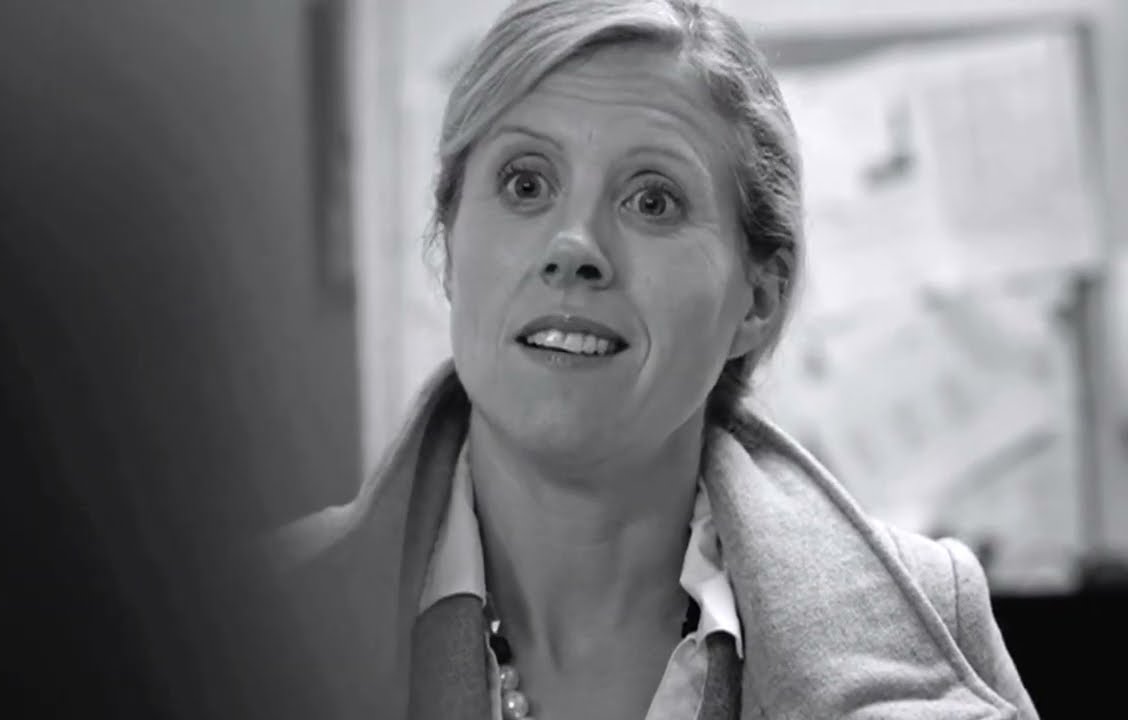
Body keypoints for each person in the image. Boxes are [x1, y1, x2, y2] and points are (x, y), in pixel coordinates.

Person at [270, 1, 1037, 718]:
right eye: (526, 183)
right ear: (449, 246)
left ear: (758, 299)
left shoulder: (940, 613)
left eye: (653, 201)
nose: (574, 247)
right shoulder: (243, 624)